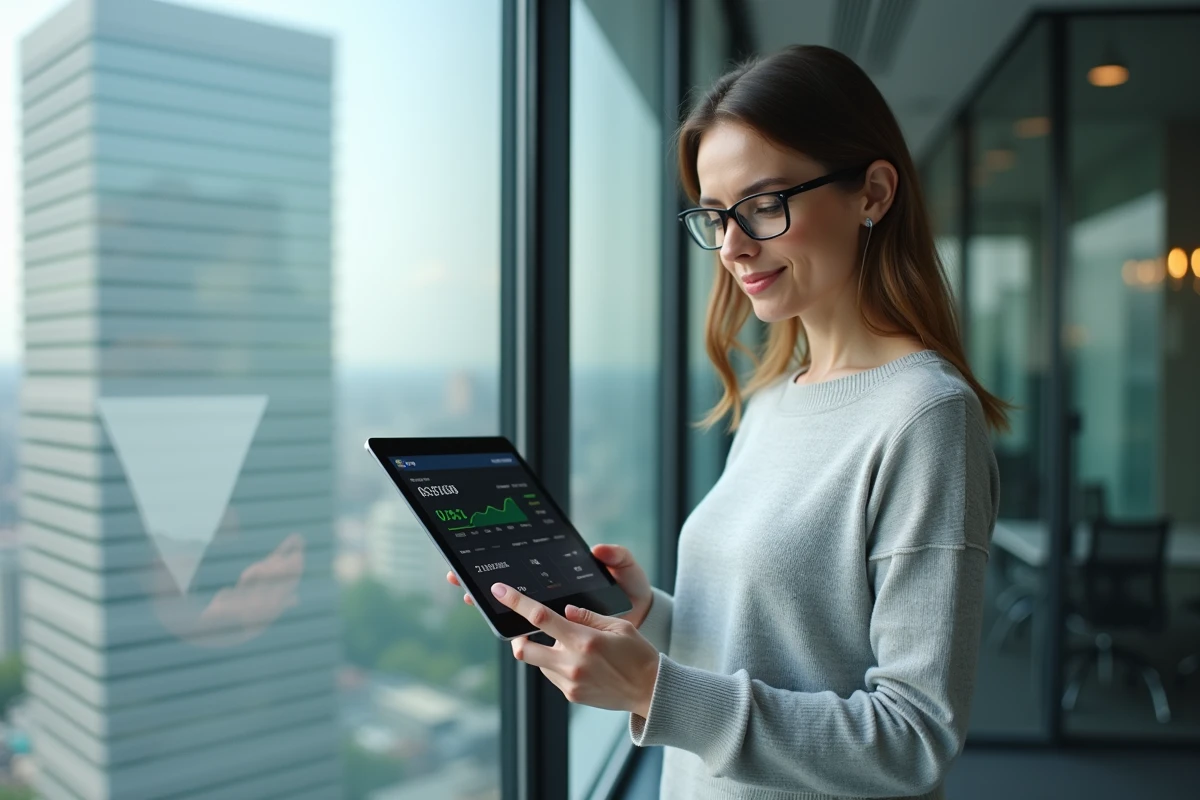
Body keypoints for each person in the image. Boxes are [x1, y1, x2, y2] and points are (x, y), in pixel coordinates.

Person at [448, 43, 1005, 800]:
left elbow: (913, 740)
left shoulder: (926, 417)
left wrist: (654, 692)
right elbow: (777, 646)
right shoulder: (775, 396)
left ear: (872, 192)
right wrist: (650, 617)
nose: (734, 247)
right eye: (715, 216)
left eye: (764, 205)